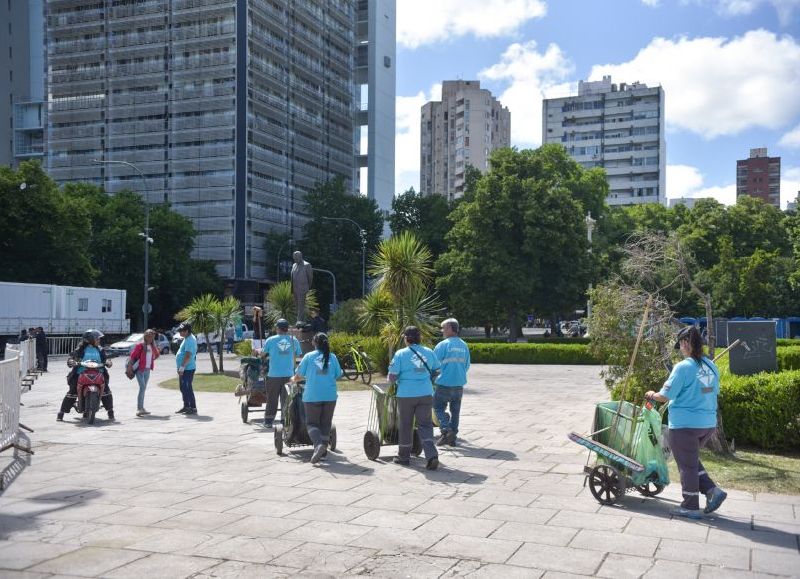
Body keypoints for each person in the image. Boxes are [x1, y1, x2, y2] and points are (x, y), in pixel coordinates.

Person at [646, 325, 727, 519]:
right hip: (707, 424)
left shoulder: (683, 366)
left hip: (685, 425)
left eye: (680, 345)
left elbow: (665, 396)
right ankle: (712, 491)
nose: (680, 350)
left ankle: (690, 506)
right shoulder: (710, 366)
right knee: (689, 459)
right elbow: (711, 392)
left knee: (687, 466)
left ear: (685, 343)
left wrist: (651, 394)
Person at [388, 326, 442, 470]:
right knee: (425, 425)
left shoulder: (400, 354)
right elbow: (437, 370)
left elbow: (392, 377)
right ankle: (431, 455)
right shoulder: (429, 352)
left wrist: (397, 377)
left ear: (406, 338)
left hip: (406, 395)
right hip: (425, 393)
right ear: (419, 338)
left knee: (406, 425)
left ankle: (404, 457)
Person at [291, 332, 342, 464]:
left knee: (312, 423)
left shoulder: (309, 356)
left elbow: (299, 376)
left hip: (312, 395)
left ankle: (318, 445)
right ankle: (323, 453)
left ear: (314, 343)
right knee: (326, 423)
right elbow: (338, 374)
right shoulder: (333, 357)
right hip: (330, 395)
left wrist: (293, 379)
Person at [58, 329, 114, 421]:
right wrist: (71, 361)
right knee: (72, 391)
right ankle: (61, 413)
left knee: (106, 391)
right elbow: (72, 357)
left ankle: (110, 412)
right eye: (97, 339)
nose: (99, 341)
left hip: (98, 373)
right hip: (81, 373)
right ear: (90, 340)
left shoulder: (100, 349)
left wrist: (108, 362)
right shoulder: (80, 349)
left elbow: (105, 359)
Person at [433, 318, 471, 447]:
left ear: (450, 329)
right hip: (459, 383)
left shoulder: (442, 345)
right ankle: (452, 437)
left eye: (443, 328)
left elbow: (433, 365)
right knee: (455, 412)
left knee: (437, 407)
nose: (442, 330)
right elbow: (467, 365)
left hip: (444, 383)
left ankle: (446, 430)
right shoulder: (464, 345)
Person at [263, 318, 302, 428]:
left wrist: (257, 352)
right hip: (289, 375)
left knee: (272, 399)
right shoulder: (293, 340)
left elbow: (263, 354)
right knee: (286, 400)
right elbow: (298, 355)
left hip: (273, 375)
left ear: (278, 328)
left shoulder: (270, 340)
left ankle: (268, 421)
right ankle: (285, 421)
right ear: (287, 328)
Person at [128, 329, 160, 417]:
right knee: (142, 387)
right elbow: (132, 357)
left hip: (147, 369)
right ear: (145, 336)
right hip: (140, 369)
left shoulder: (152, 345)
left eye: (152, 337)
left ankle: (142, 408)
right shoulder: (140, 345)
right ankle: (139, 409)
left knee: (143, 388)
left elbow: (157, 355)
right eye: (149, 336)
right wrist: (130, 368)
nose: (151, 338)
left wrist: (152, 358)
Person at [175, 322, 198, 415]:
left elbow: (188, 355)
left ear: (187, 331)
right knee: (183, 387)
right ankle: (186, 406)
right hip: (184, 368)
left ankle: (192, 408)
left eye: (181, 331)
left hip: (187, 368)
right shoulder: (186, 338)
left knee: (187, 387)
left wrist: (182, 368)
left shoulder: (190, 340)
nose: (180, 332)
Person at [290, 251, 314, 323]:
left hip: (303, 288)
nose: (295, 259)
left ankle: (300, 321)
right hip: (295, 288)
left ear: (300, 257)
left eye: (296, 258)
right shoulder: (294, 265)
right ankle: (300, 320)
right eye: (294, 258)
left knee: (301, 305)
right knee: (297, 306)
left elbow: (310, 277)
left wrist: (307, 287)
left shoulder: (307, 265)